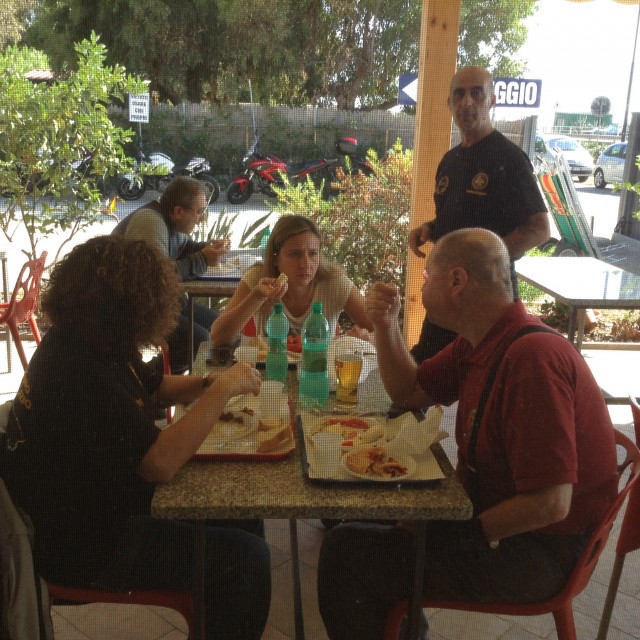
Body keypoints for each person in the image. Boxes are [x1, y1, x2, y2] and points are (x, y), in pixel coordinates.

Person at [317, 228, 618, 640]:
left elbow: (550, 503)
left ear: (457, 281)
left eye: (427, 276)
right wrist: (385, 326)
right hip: (493, 515)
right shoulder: (481, 339)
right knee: (358, 506)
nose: (421, 285)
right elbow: (408, 393)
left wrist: (448, 533)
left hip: (539, 552)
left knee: (347, 553)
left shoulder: (532, 360)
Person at [0, 236, 270, 640]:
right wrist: (223, 390)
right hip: (83, 547)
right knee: (246, 559)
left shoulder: (87, 339)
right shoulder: (77, 370)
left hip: (92, 512)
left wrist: (209, 382)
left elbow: (153, 385)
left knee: (245, 514)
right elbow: (159, 464)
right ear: (130, 306)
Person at [409, 65, 550, 363]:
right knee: (426, 372)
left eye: (477, 93)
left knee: (482, 379)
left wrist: (484, 263)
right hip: (448, 295)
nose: (467, 102)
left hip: (489, 302)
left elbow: (539, 229)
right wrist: (430, 229)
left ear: (492, 101)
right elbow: (458, 219)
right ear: (449, 103)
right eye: (459, 94)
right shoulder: (449, 161)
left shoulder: (510, 158)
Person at [113, 176, 230, 373]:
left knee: (220, 327)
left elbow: (183, 250)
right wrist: (202, 259)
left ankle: (158, 378)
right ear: (178, 211)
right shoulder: (150, 222)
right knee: (197, 340)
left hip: (156, 301)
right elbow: (156, 277)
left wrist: (207, 248)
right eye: (199, 211)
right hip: (130, 308)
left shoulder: (171, 224)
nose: (201, 218)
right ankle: (146, 381)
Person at [210, 214, 373, 345]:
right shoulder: (258, 278)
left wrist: (362, 340)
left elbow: (379, 330)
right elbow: (218, 338)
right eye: (295, 254)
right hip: (269, 372)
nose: (305, 264)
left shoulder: (335, 283)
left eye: (313, 254)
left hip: (319, 372)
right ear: (275, 258)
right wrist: (256, 297)